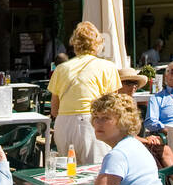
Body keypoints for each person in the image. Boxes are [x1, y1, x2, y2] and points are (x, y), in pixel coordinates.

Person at [48, 21, 122, 164]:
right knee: (94, 174)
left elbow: (54, 109)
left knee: (69, 174)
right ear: (98, 43)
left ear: (74, 43)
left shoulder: (61, 69)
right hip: (92, 122)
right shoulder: (107, 67)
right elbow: (114, 105)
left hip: (64, 124)